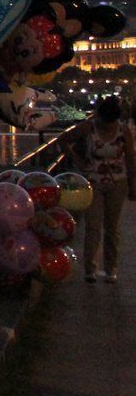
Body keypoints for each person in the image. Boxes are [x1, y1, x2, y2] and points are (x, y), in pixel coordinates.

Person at [72, 96, 136, 282]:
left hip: (118, 183)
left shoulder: (124, 131)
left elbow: (131, 159)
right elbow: (64, 141)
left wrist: (133, 186)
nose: (109, 127)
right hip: (93, 182)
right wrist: (77, 160)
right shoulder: (89, 127)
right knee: (93, 226)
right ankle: (90, 269)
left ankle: (111, 270)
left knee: (112, 228)